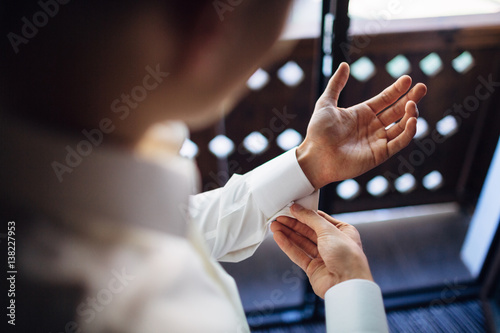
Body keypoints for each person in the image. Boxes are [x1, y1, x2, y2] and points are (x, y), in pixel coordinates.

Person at [0, 1, 426, 332]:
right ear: (211, 25)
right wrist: (354, 294)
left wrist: (306, 165)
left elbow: (180, 229)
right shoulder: (128, 317)